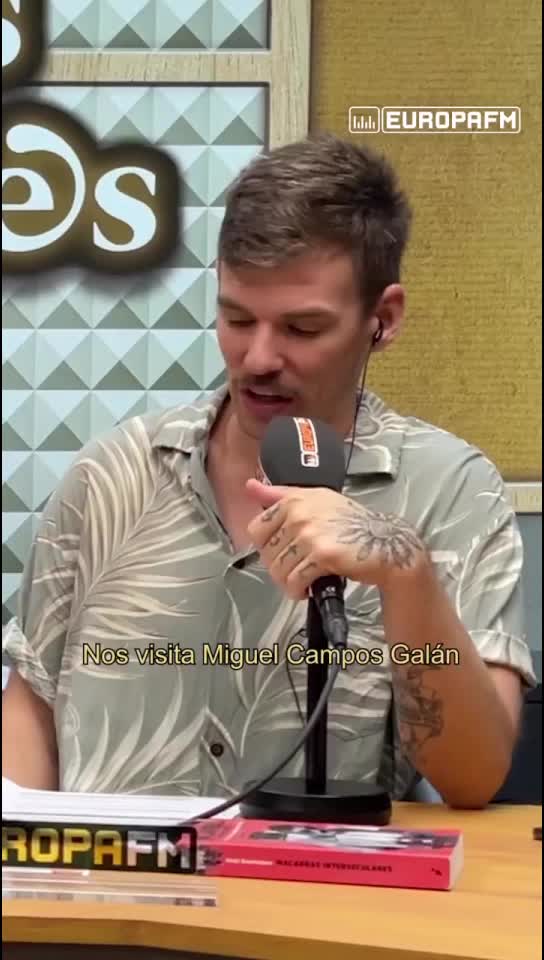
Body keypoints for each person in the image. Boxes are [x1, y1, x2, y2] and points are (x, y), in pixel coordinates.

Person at [2, 133, 536, 806]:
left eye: (301, 329)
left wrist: (406, 576)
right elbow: (32, 710)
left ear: (383, 319)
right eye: (236, 318)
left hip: (316, 875)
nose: (257, 358)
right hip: (112, 873)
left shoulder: (450, 488)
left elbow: (473, 776)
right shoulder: (111, 475)